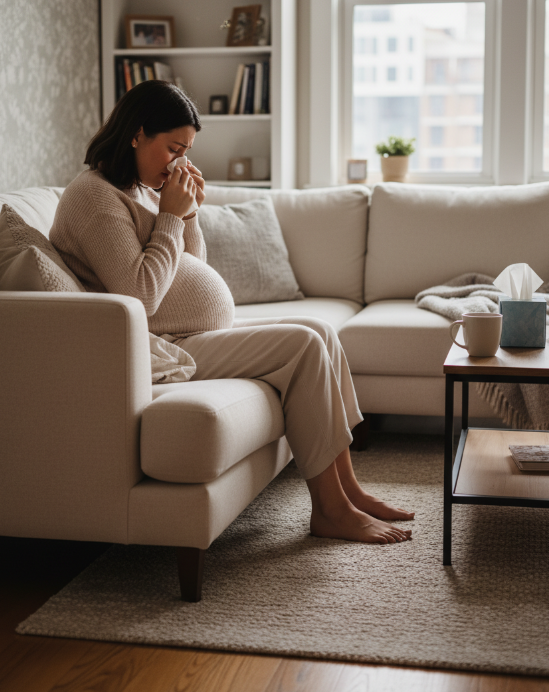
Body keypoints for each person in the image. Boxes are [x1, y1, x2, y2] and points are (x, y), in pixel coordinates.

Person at [50, 80, 415, 545]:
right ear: (138, 133)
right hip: (160, 347)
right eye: (173, 148)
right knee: (303, 344)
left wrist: (188, 215)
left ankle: (349, 491)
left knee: (320, 328)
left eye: (186, 151)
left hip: (189, 332)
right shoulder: (94, 197)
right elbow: (139, 297)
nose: (179, 162)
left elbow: (191, 266)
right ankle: (329, 510)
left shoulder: (141, 187)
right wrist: (168, 217)